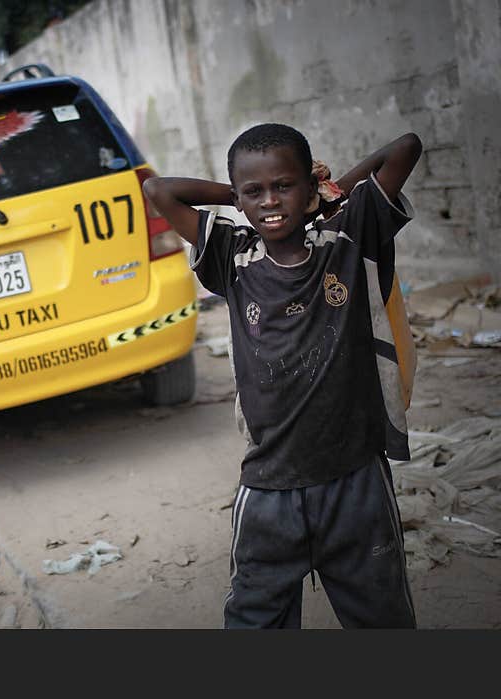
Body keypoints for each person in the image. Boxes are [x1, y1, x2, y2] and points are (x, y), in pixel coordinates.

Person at [143, 123, 423, 628]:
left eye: (284, 185)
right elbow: (158, 190)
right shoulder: (234, 255)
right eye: (255, 191)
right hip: (269, 487)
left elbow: (404, 149)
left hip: (355, 478)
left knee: (383, 621)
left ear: (309, 187)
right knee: (256, 622)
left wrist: (327, 196)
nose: (270, 201)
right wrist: (242, 195)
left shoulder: (347, 238)